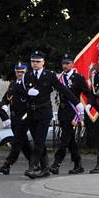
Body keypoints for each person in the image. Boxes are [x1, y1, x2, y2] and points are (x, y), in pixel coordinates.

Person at [22, 51, 76, 179]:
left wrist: (76, 102)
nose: (35, 64)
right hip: (31, 113)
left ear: (43, 62)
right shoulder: (27, 75)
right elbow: (21, 93)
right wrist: (27, 92)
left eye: (37, 61)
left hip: (44, 112)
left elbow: (62, 89)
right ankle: (45, 168)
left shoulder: (49, 75)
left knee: (39, 141)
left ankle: (32, 166)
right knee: (37, 141)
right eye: (33, 61)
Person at [51, 53, 90, 175]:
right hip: (63, 111)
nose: (65, 66)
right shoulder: (60, 77)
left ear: (72, 64)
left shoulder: (78, 78)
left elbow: (87, 93)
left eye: (68, 63)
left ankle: (56, 163)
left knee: (64, 139)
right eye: (63, 63)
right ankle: (78, 164)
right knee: (70, 140)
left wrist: (88, 106)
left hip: (74, 112)